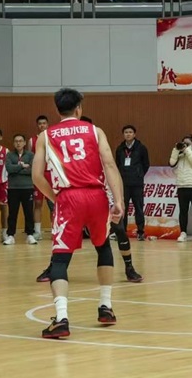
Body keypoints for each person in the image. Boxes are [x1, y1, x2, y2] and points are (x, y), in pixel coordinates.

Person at [31, 88, 126, 339]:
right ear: (79, 108)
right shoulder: (95, 131)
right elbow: (109, 164)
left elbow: (37, 176)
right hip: (96, 196)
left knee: (60, 259)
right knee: (103, 247)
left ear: (57, 109)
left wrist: (56, 198)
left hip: (68, 197)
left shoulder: (45, 136)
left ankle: (61, 318)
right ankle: (106, 306)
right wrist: (118, 200)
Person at [114, 125, 150, 240]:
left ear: (134, 134)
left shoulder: (141, 148)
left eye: (130, 132)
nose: (128, 134)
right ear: (123, 134)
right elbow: (117, 164)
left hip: (136, 184)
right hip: (123, 184)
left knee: (138, 208)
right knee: (122, 208)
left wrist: (139, 174)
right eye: (126, 132)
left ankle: (140, 231)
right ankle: (122, 232)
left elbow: (146, 164)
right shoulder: (120, 149)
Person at [3, 134, 35, 245]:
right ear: (13, 143)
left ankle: (30, 234)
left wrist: (16, 168)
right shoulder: (9, 155)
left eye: (20, 141)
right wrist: (22, 166)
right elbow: (9, 168)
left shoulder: (31, 155)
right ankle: (10, 235)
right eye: (16, 141)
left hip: (28, 187)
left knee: (29, 212)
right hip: (13, 188)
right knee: (12, 212)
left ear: (25, 143)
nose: (18, 143)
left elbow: (32, 170)